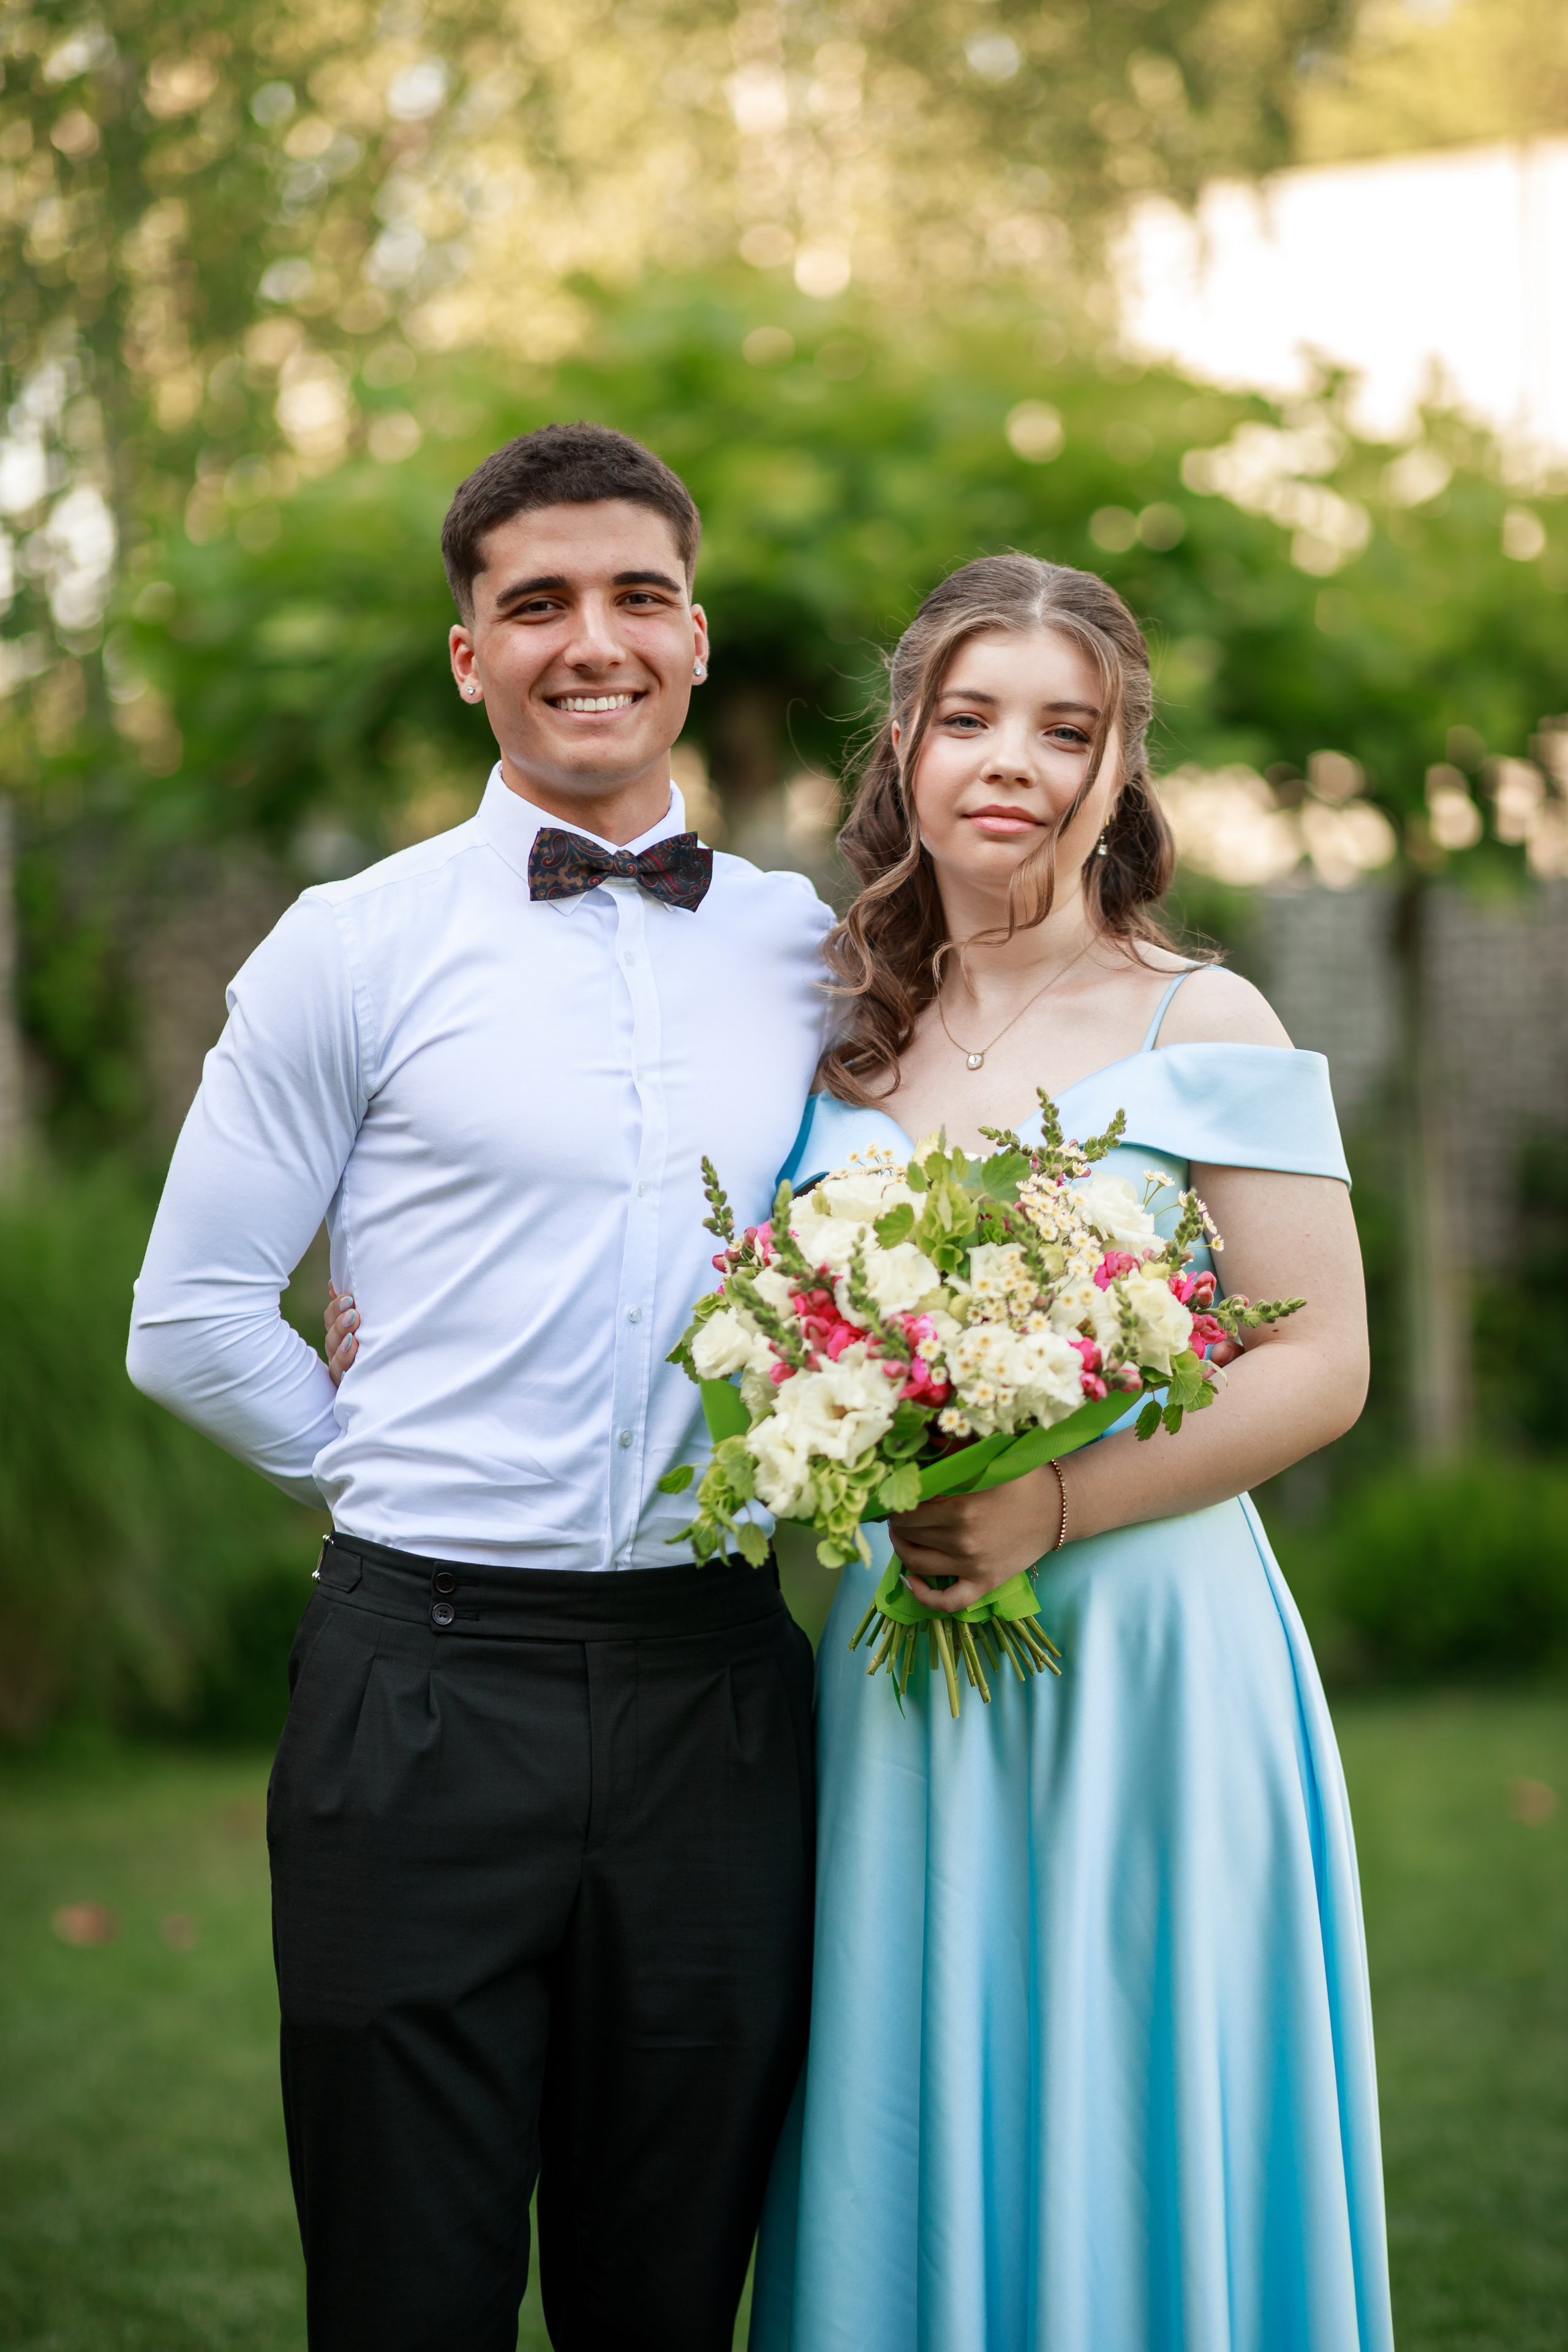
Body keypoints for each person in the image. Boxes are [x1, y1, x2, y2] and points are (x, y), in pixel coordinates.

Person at [126, 422, 832, 2352]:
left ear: (696, 636)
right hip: (420, 1695)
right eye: (535, 604)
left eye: (632, 598)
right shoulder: (349, 949)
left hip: (722, 1696)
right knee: (405, 2293)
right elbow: (188, 1312)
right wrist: (385, 1463)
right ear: (471, 657)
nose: (586, 640)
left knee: (671, 2290)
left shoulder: (818, 952)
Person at [742, 554, 1396, 2352]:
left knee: (1138, 2068)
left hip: (1150, 1658)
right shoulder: (835, 1041)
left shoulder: (1208, 1018)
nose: (1010, 761)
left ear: (1119, 771)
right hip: (905, 1668)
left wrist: (1053, 1501)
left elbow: (1324, 1356)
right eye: (971, 718)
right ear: (906, 743)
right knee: (916, 2067)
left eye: (1065, 727)